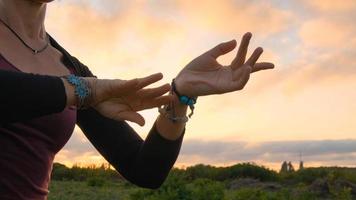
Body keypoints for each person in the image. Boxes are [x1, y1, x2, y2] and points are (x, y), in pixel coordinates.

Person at [0, 0, 274, 199]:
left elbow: (144, 169)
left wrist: (180, 96)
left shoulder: (68, 67)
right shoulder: (81, 84)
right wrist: (82, 91)